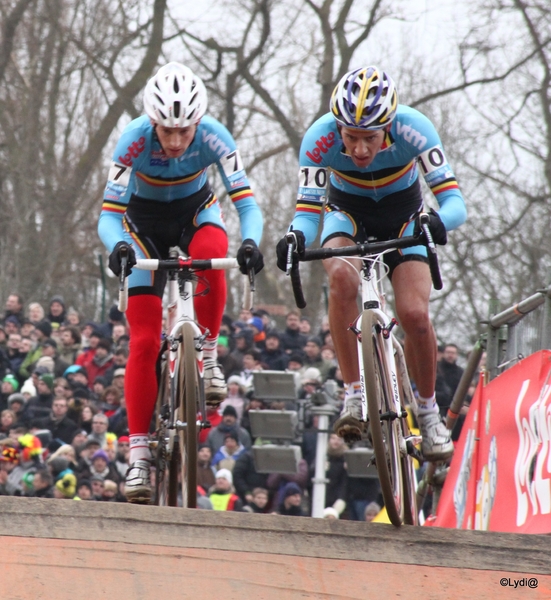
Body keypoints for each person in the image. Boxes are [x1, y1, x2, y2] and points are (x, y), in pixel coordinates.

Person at [276, 66, 467, 461]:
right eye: (351, 138)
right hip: (346, 214)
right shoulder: (319, 138)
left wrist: (437, 220)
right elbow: (309, 211)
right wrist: (295, 234)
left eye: (370, 139)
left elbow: (454, 204)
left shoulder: (416, 129)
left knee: (414, 314)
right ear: (338, 129)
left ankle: (428, 413)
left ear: (389, 128)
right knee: (342, 279)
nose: (360, 150)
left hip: (405, 217)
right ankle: (354, 393)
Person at [97, 62, 264, 503]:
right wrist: (118, 247)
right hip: (141, 227)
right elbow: (108, 217)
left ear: (197, 124)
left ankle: (208, 355)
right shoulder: (132, 139)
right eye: (165, 132)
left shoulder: (215, 136)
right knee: (145, 341)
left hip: (195, 213)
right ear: (152, 123)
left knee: (214, 248)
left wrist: (251, 242)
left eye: (183, 132)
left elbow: (247, 205)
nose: (173, 142)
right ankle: (138, 455)